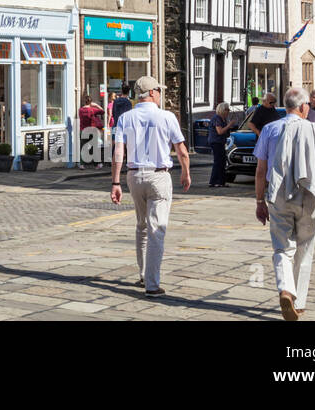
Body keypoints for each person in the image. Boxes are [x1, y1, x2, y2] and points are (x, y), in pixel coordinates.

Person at [254, 87, 315, 321]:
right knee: (305, 246)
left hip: (278, 193)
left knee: (282, 246)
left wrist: (260, 201)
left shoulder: (270, 129)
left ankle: (286, 289)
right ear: (302, 107)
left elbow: (260, 171)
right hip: (309, 194)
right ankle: (298, 302)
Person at [110, 76, 191, 296]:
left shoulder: (125, 118)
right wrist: (186, 172)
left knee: (142, 227)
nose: (161, 93)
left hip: (134, 176)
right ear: (153, 93)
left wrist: (115, 182)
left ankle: (144, 274)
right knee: (157, 229)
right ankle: (152, 285)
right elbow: (182, 150)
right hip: (158, 176)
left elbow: (119, 152)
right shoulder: (167, 117)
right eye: (159, 90)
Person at [207, 102, 236, 188]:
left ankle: (220, 181)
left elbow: (225, 133)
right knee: (218, 161)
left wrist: (229, 128)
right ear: (222, 110)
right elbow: (220, 131)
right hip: (216, 142)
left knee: (222, 161)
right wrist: (229, 126)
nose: (228, 111)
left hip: (221, 142)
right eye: (227, 110)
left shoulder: (223, 119)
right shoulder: (217, 118)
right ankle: (214, 181)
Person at [78, 95, 106, 167]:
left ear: (84, 102)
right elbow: (103, 111)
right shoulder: (92, 110)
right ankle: (98, 164)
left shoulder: (80, 110)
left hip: (83, 130)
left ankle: (82, 165)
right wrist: (96, 105)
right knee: (95, 147)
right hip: (92, 131)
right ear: (91, 102)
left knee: (83, 148)